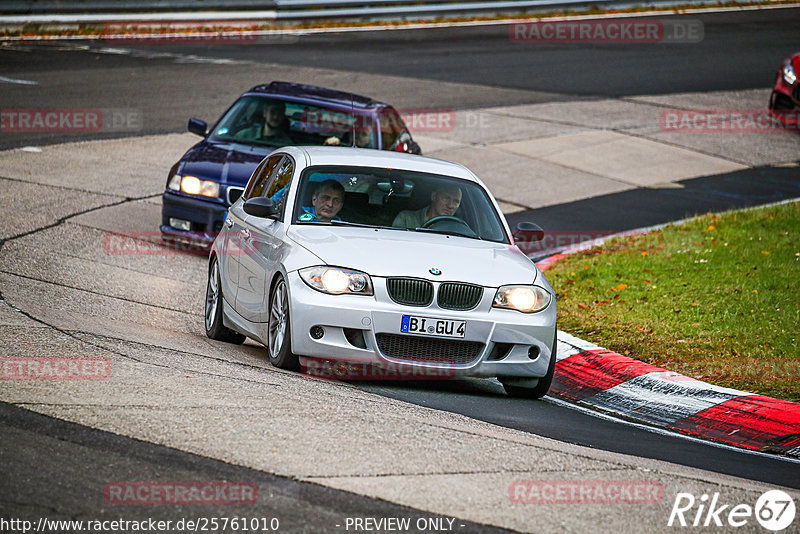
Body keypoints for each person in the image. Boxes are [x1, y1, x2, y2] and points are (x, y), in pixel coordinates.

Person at [392, 185, 462, 229]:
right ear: (433, 196)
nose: (450, 205)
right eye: (446, 198)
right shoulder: (406, 219)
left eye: (456, 201)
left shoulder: (459, 229)